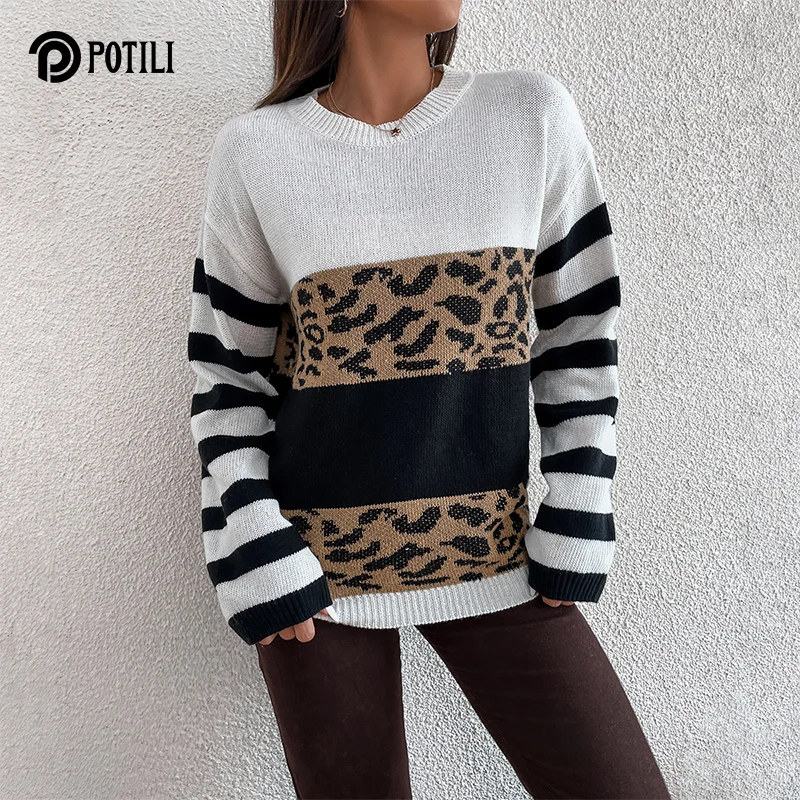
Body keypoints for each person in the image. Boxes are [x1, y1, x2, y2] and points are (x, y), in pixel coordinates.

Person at [186, 1, 672, 797]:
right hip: (310, 579)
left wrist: (580, 504)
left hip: (499, 552)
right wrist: (254, 543)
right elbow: (226, 376)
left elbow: (581, 333)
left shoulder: (529, 116)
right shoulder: (257, 152)